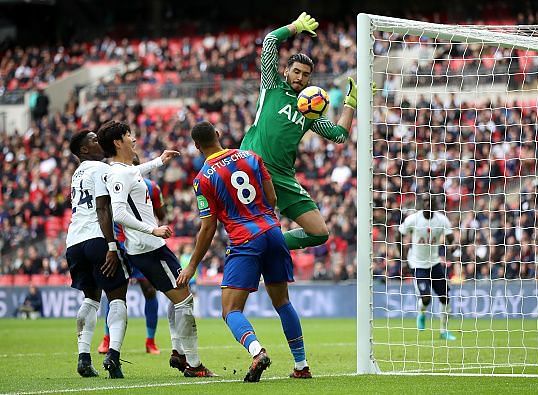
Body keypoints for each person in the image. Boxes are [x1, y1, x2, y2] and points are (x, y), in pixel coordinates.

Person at [178, 121, 312, 382]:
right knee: (283, 302)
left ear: (196, 146)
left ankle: (257, 351)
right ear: (218, 134)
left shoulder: (203, 178)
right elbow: (272, 199)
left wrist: (192, 265)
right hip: (273, 232)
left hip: (244, 239)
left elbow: (208, 228)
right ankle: (301, 365)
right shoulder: (251, 157)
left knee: (230, 310)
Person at [97, 120, 215, 378]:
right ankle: (192, 364)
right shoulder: (118, 173)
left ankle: (178, 352)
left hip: (150, 246)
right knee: (183, 300)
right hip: (148, 246)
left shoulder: (125, 169)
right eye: (129, 135)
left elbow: (135, 173)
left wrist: (159, 161)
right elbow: (117, 213)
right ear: (118, 142)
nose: (134, 139)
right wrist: (153, 230)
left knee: (182, 298)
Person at [240, 12, 359, 250]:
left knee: (319, 232)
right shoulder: (271, 86)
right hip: (253, 163)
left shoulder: (310, 109)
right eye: (296, 71)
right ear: (286, 71)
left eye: (305, 75)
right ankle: (251, 246)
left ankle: (270, 246)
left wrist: (350, 104)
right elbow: (270, 42)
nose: (300, 77)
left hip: (283, 176)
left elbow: (339, 135)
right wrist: (295, 27)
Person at [65, 129, 129, 379]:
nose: (98, 142)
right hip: (97, 238)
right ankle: (113, 356)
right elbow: (103, 209)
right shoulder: (100, 169)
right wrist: (111, 246)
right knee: (117, 299)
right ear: (84, 150)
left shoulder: (76, 174)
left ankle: (83, 358)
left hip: (74, 242)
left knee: (90, 299)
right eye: (93, 140)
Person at [98, 154, 164, 355]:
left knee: (149, 291)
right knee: (116, 293)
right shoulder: (112, 181)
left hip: (141, 243)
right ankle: (107, 339)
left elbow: (160, 214)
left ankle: (150, 341)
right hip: (120, 245)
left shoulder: (151, 187)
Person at [397, 193, 457, 341]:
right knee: (426, 298)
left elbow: (450, 238)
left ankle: (444, 331)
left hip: (434, 263)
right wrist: (403, 258)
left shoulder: (441, 220)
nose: (427, 204)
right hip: (417, 264)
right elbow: (399, 234)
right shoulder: (413, 219)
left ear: (435, 204)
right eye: (424, 201)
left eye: (430, 201)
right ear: (421, 204)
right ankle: (421, 313)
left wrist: (452, 246)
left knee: (445, 297)